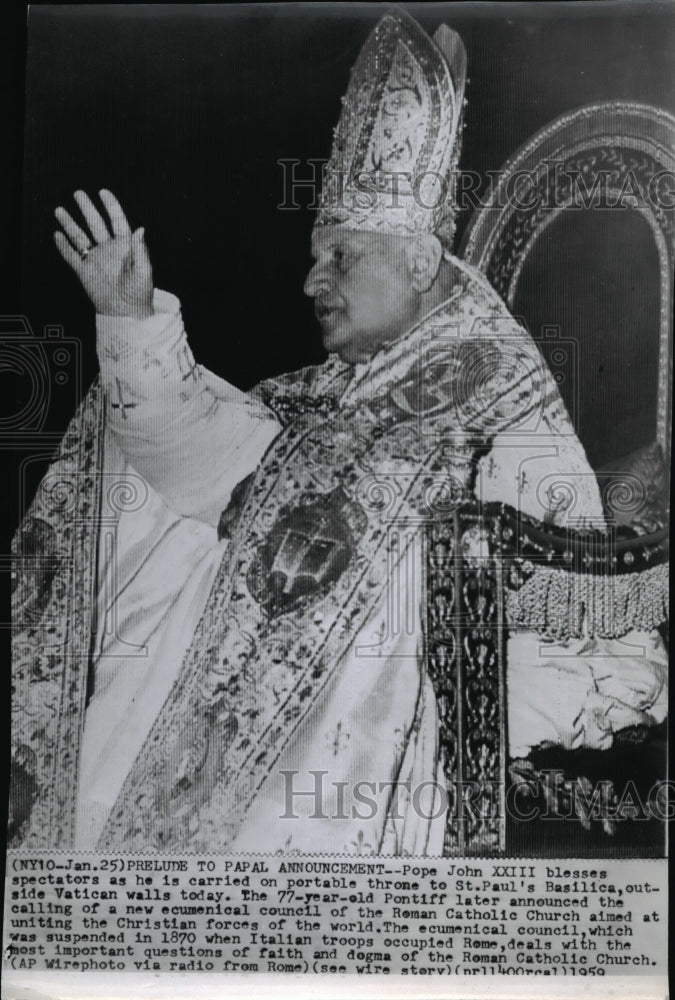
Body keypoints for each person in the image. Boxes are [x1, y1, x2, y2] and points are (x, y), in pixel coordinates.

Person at [12, 10, 667, 853]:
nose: (310, 280)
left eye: (341, 257)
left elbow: (563, 576)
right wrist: (130, 320)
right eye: (315, 256)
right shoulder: (336, 385)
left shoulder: (494, 378)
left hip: (450, 662)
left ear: (421, 264)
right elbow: (217, 462)